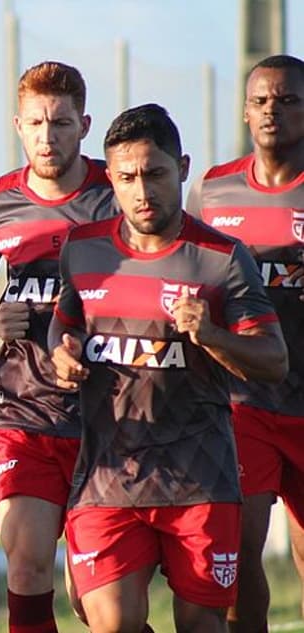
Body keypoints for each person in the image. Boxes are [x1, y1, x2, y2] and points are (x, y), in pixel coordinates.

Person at [49, 103, 287, 633]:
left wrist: (212, 335)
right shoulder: (84, 250)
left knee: (201, 624)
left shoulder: (222, 257)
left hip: (200, 480)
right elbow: (64, 323)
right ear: (109, 177)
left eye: (155, 174)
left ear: (182, 167)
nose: (142, 190)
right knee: (109, 622)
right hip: (109, 476)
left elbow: (273, 361)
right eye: (127, 178)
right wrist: (61, 351)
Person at [0, 60, 115, 633]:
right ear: (18, 125)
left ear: (84, 125)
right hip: (25, 411)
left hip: (108, 413)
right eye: (38, 123)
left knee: (100, 605)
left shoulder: (117, 195)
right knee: (27, 564)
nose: (49, 137)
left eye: (62, 123)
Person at [186, 53, 304, 633]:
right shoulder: (212, 191)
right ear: (243, 112)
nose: (271, 112)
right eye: (260, 101)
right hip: (244, 401)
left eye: (287, 101)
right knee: (239, 550)